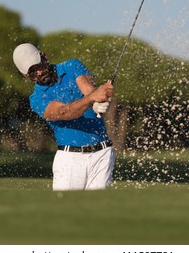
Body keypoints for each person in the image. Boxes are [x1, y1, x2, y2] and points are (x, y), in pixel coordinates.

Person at [13, 43, 115, 191]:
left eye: (39, 66)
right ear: (26, 76)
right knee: (66, 211)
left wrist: (99, 100)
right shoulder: (37, 99)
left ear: (44, 57)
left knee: (96, 210)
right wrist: (92, 99)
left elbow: (88, 90)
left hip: (103, 154)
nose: (39, 73)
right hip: (70, 160)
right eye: (33, 72)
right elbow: (63, 112)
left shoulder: (72, 66)